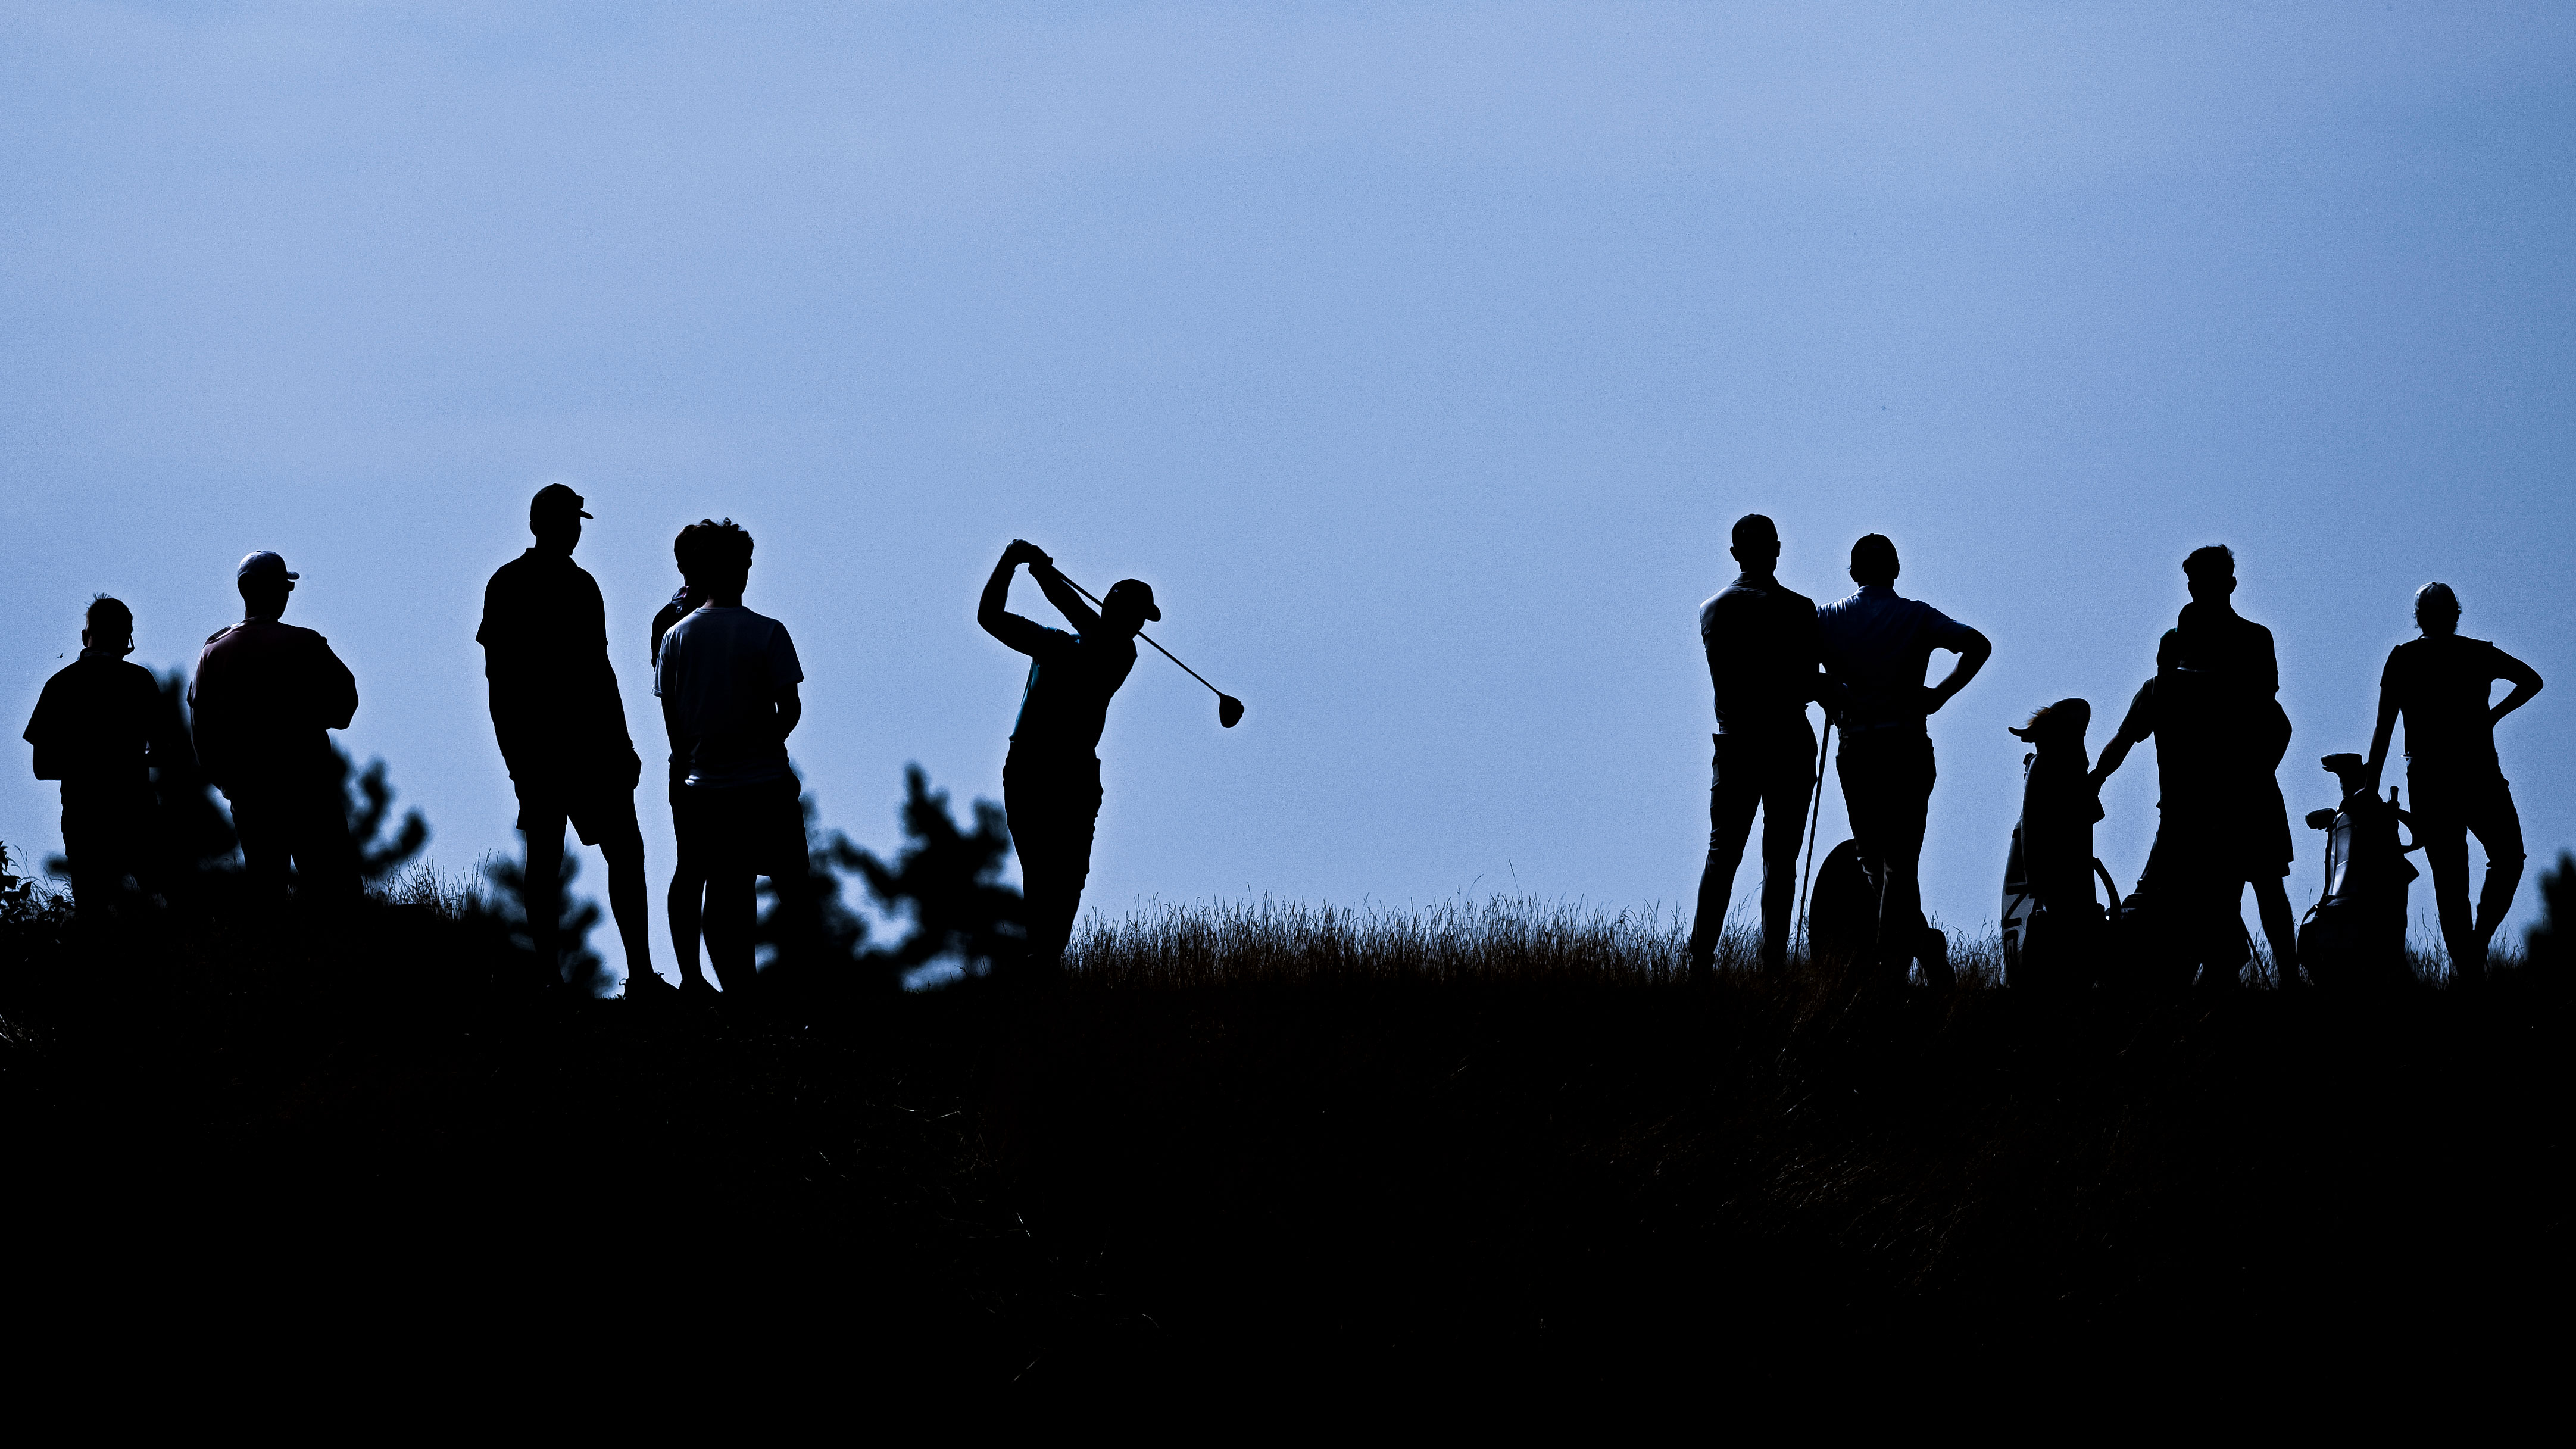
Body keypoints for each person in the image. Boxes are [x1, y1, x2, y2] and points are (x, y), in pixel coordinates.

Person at [478, 483, 663, 997]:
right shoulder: (511, 584)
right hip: (551, 748)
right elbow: (500, 679)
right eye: (566, 521)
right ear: (539, 524)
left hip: (589, 746)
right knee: (551, 860)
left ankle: (636, 975)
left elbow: (600, 670)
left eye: (576, 521)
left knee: (618, 853)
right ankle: (554, 979)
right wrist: (515, 755)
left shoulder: (577, 585)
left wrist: (624, 744)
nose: (574, 531)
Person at [1816, 534, 1990, 986]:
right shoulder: (1917, 616)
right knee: (1900, 862)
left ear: (1852, 573)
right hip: (1907, 744)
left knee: (1875, 863)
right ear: (1895, 571)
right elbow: (1978, 645)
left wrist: (1827, 692)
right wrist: (1939, 696)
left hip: (1857, 747)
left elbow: (1796, 667)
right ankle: (1917, 950)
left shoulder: (1827, 618)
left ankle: (1894, 967)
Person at [978, 539, 1152, 978]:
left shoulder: (1120, 654)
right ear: (1116, 612)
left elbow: (1080, 615)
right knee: (1041, 869)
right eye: (1134, 616)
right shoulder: (1054, 644)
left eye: (1141, 620)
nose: (1137, 627)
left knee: (1068, 873)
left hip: (1070, 772)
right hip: (1032, 768)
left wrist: (1036, 571)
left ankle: (1045, 960)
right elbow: (990, 618)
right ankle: (1043, 959)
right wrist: (1011, 565)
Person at [654, 519, 806, 996]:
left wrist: (690, 763)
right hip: (766, 780)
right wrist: (763, 741)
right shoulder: (769, 632)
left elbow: (673, 719)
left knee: (725, 891)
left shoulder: (674, 635)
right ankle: (807, 990)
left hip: (705, 786)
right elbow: (790, 709)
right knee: (793, 887)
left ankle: (738, 993)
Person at [2364, 582, 2542, 987]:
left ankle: (2471, 960)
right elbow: (2531, 681)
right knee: (2495, 864)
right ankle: (2473, 962)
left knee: (2456, 881)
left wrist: (2371, 787)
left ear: (2419, 618)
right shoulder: (2473, 654)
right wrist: (2492, 717)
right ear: (2454, 615)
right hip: (2472, 776)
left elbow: (2383, 727)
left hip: (2439, 780)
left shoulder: (2408, 657)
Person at [2154, 546, 2300, 986]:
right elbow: (2166, 717)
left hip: (2250, 782)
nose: (2196, 591)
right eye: (2193, 583)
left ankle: (2288, 978)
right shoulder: (2175, 642)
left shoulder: (2255, 638)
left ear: (2230, 584)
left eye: (2206, 582)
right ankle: (2222, 979)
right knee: (2217, 894)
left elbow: (2266, 703)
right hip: (2200, 789)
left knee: (2267, 884)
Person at [1688, 514, 1824, 978]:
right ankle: (1773, 965)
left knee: (1722, 854)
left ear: (1734, 554)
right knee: (1780, 861)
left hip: (1736, 744)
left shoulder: (1711, 610)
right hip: (1788, 742)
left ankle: (1700, 962)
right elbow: (1805, 681)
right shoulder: (1799, 609)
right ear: (1778, 549)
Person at [189, 551, 361, 902]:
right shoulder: (307, 643)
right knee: (337, 895)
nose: (286, 594)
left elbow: (202, 736)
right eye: (283, 587)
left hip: (250, 794)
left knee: (266, 896)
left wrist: (229, 783)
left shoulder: (213, 653)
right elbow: (346, 706)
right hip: (309, 789)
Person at [23, 595, 191, 914]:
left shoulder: (59, 684)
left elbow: (41, 767)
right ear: (127, 638)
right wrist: (129, 761)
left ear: (85, 636)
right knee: (175, 900)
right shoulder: (139, 681)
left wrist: (85, 766)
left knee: (92, 912)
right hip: (136, 808)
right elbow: (166, 752)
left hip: (83, 815)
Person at [649, 577, 711, 995]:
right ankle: (694, 976)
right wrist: (685, 752)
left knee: (701, 868)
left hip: (696, 757)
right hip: (694, 760)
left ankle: (705, 978)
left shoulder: (673, 619)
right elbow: (669, 697)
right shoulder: (673, 621)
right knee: (695, 867)